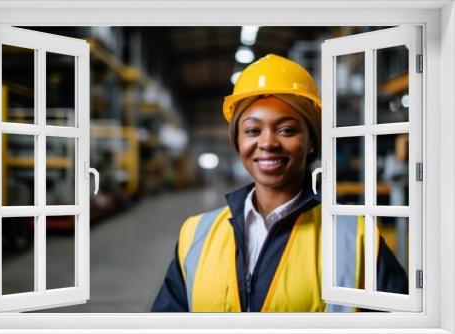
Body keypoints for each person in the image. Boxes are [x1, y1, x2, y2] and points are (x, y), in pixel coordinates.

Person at [151, 54, 408, 312]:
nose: (268, 143)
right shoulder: (196, 234)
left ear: (311, 143)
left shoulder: (356, 237)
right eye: (252, 131)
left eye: (286, 130)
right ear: (238, 142)